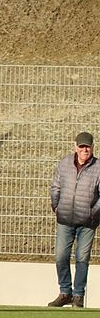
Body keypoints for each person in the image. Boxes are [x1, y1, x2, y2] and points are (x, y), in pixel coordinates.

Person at [47, 131, 100, 308]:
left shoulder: (98, 167)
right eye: (81, 146)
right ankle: (65, 292)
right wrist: (56, 206)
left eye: (88, 147)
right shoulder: (64, 164)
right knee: (61, 256)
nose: (85, 150)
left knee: (82, 258)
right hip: (65, 219)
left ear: (93, 147)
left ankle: (78, 295)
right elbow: (55, 186)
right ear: (75, 147)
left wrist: (93, 213)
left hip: (88, 222)